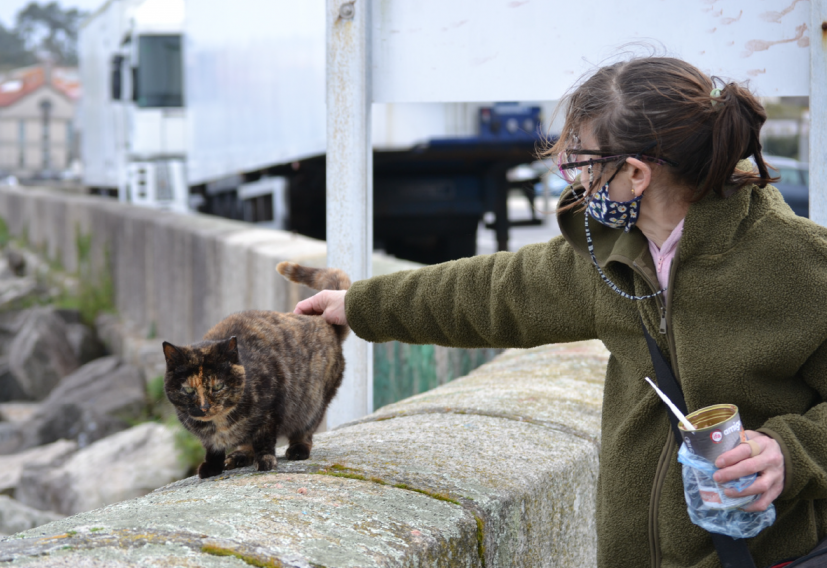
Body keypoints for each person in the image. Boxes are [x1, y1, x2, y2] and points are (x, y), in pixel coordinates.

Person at [295, 56, 827, 568]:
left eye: (587, 163)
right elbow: (490, 293)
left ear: (636, 174)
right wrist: (361, 305)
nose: (577, 181)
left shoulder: (802, 263)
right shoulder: (608, 252)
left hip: (771, 557)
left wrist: (788, 452)